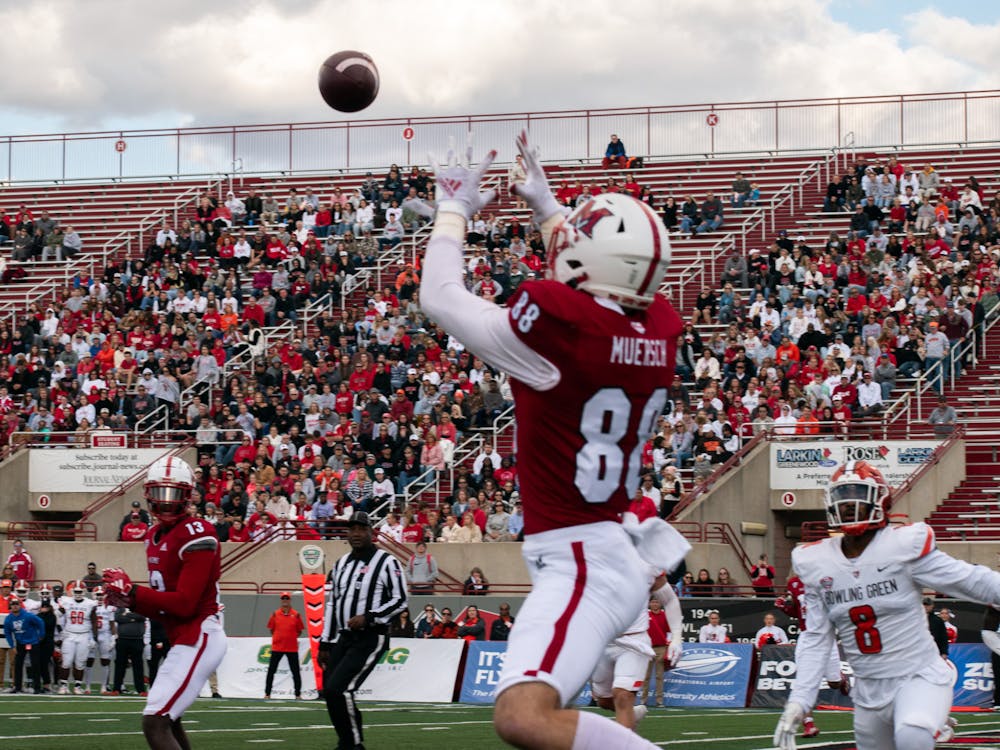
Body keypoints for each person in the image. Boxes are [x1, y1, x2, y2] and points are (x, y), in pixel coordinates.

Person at [415, 132, 688, 750]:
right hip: (603, 547)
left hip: (583, 557)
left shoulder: (563, 336)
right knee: (550, 715)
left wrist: (453, 209)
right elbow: (599, 284)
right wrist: (548, 210)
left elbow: (440, 295)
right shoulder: (658, 329)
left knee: (525, 717)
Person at [772, 460, 1000, 750]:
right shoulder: (816, 562)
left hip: (918, 675)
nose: (847, 503)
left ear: (880, 499)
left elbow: (971, 580)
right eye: (842, 495)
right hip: (868, 690)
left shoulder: (902, 546)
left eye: (857, 493)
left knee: (912, 734)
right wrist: (800, 700)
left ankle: (928, 720)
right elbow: (817, 638)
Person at [102, 455, 227, 750]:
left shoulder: (198, 534)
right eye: (160, 493)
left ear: (187, 496)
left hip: (200, 635)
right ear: (148, 494)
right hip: (183, 636)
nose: (167, 502)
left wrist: (133, 593)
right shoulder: (153, 535)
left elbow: (185, 604)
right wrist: (129, 600)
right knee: (170, 719)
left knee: (155, 720)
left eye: (174, 494)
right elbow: (164, 602)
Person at [317, 512, 408, 750]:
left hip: (370, 636)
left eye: (361, 529)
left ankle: (353, 745)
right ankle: (347, 741)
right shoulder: (341, 564)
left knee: (340, 689)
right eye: (352, 529)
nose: (356, 534)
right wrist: (325, 642)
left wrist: (369, 617)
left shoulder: (387, 562)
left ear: (371, 532)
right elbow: (332, 603)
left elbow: (401, 601)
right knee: (330, 691)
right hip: (343, 637)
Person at [592, 572, 683, 729]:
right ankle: (631, 714)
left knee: (623, 695)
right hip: (601, 640)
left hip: (634, 641)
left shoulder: (644, 564)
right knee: (604, 701)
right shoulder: (588, 561)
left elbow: (669, 599)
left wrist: (676, 638)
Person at [56, 579, 97, 694]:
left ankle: (77, 686)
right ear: (72, 591)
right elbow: (57, 615)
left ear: (84, 591)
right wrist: (61, 630)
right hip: (69, 635)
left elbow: (94, 621)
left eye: (80, 591)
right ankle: (63, 685)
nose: (78, 594)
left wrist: (93, 637)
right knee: (66, 662)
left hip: (84, 635)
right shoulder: (67, 602)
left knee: (80, 663)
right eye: (76, 591)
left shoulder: (90, 604)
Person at [265, 592, 304, 699]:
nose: (285, 600)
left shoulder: (296, 615)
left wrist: (290, 637)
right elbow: (272, 629)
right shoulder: (275, 614)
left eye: (287, 598)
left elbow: (299, 631)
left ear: (290, 600)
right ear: (281, 600)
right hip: (277, 647)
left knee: (295, 672)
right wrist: (279, 637)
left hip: (292, 648)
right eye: (283, 598)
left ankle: (298, 694)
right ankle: (267, 694)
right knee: (271, 671)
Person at [2, 596, 44, 693]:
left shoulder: (28, 615)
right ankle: (17, 687)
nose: (15, 606)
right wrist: (12, 646)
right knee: (18, 665)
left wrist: (41, 635)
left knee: (35, 665)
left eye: (17, 604)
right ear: (10, 606)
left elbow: (40, 622)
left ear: (20, 605)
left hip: (33, 642)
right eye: (13, 604)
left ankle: (37, 687)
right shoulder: (9, 619)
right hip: (20, 643)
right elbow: (7, 633)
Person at [112, 607, 148, 696]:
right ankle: (117, 688)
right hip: (123, 639)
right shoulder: (120, 608)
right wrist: (133, 618)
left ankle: (140, 689)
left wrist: (127, 616)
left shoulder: (140, 607)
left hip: (137, 639)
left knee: (138, 665)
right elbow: (118, 618)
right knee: (120, 665)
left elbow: (142, 617)